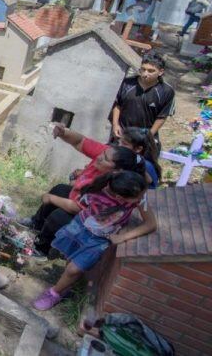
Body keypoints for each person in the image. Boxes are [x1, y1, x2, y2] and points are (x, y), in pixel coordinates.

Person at [33, 171, 156, 311]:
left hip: (99, 240)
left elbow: (150, 224)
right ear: (119, 197)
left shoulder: (139, 197)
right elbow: (78, 205)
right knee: (71, 262)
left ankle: (54, 293)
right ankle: (64, 287)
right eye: (139, 196)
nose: (142, 198)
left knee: (74, 269)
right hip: (80, 228)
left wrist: (122, 237)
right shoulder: (97, 192)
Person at [21, 123, 146, 255]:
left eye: (125, 144)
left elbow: (77, 208)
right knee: (60, 189)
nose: (98, 157)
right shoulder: (111, 154)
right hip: (82, 203)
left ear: (117, 170)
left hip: (90, 223)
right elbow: (81, 141)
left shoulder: (113, 186)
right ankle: (36, 224)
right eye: (119, 142)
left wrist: (51, 198)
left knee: (58, 216)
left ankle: (42, 249)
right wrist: (64, 132)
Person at [111, 52, 174, 150]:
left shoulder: (166, 91)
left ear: (160, 72)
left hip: (143, 137)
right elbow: (117, 104)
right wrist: (115, 125)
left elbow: (162, 116)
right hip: (122, 134)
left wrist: (149, 136)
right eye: (143, 69)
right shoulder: (127, 83)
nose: (145, 74)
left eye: (151, 71)